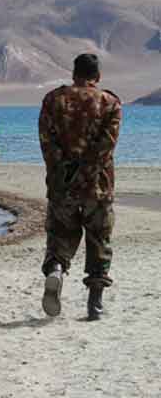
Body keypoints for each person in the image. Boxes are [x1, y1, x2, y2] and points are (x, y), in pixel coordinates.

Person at [38, 54, 122, 321]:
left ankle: (56, 271)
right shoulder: (109, 102)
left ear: (73, 73)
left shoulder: (53, 100)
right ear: (97, 77)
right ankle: (94, 304)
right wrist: (86, 172)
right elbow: (106, 146)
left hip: (62, 187)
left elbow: (47, 143)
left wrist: (65, 171)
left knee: (60, 236)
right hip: (98, 187)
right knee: (99, 240)